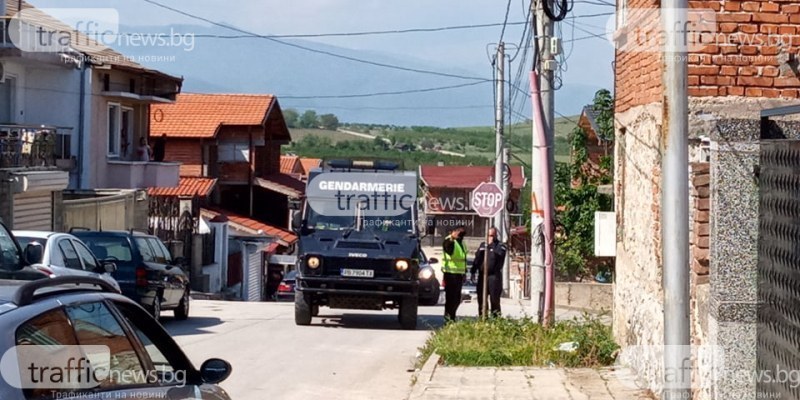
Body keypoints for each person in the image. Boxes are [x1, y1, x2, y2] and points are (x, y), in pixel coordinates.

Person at [471, 227, 507, 318]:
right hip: (482, 276)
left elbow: (500, 255)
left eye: (492, 235)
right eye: (488, 235)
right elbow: (477, 259)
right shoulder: (483, 245)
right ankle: (483, 318)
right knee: (482, 299)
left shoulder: (500, 246)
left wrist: (491, 246)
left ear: (495, 235)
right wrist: (473, 271)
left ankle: (496, 320)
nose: (490, 237)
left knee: (494, 299)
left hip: (494, 276)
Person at [441, 225, 467, 322]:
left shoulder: (461, 243)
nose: (461, 234)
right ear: (453, 232)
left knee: (456, 299)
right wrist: (452, 237)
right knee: (450, 299)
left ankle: (452, 317)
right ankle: (448, 319)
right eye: (459, 232)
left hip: (459, 275)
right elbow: (448, 248)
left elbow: (463, 259)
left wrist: (464, 273)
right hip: (450, 274)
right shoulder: (448, 241)